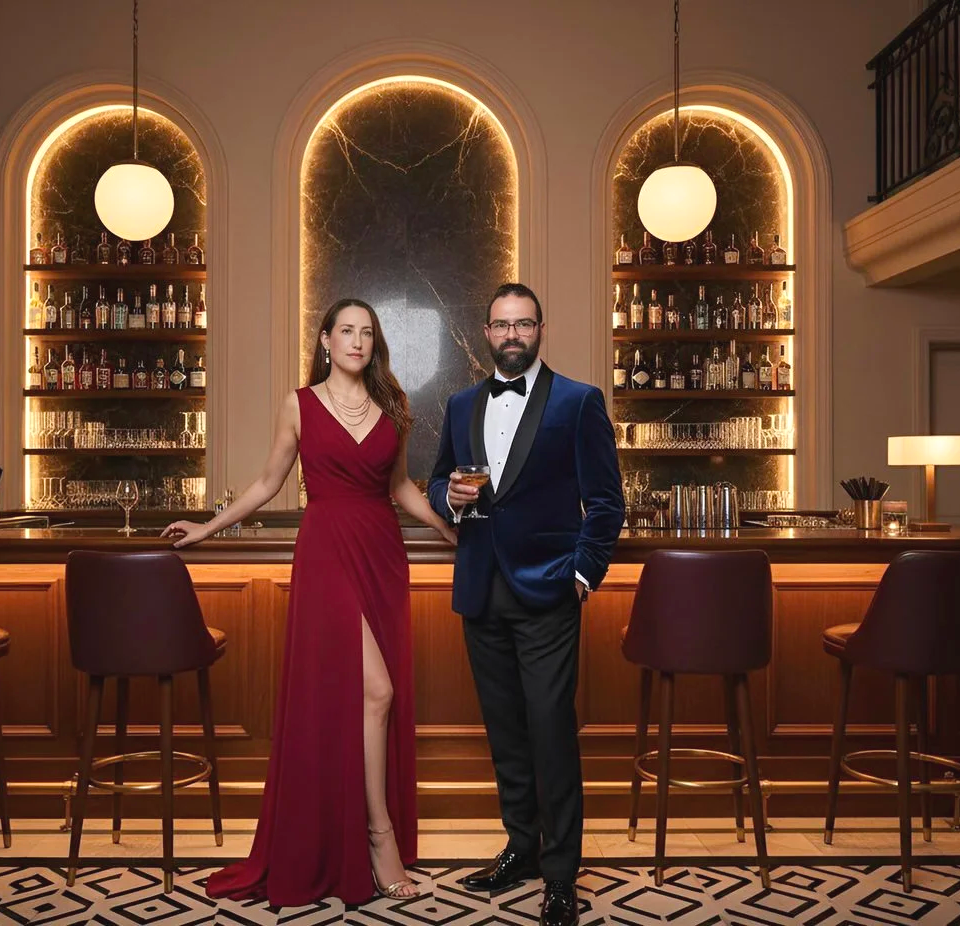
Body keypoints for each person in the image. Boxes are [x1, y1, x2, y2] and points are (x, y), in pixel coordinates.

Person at [165, 298, 456, 906]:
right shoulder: (298, 404)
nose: (356, 341)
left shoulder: (393, 409)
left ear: (374, 344)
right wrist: (206, 528)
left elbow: (401, 485)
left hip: (380, 553)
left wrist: (450, 530)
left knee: (372, 695)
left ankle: (363, 832)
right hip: (325, 552)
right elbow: (270, 482)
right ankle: (380, 837)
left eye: (366, 333)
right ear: (325, 340)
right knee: (375, 692)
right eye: (346, 331)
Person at [427, 283, 624, 926]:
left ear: (541, 329)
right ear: (486, 332)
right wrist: (449, 498)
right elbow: (436, 480)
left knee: (550, 731)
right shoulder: (460, 404)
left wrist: (583, 575)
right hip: (481, 586)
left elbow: (606, 502)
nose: (512, 335)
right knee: (506, 731)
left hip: (548, 590)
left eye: (523, 325)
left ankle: (562, 875)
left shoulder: (578, 401)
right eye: (501, 325)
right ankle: (522, 846)